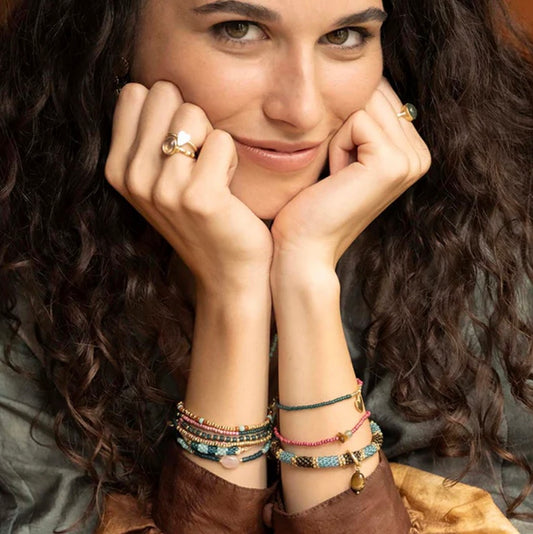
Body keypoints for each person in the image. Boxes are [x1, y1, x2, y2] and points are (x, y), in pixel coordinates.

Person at [1, 0, 532, 532]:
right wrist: (233, 292)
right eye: (239, 30)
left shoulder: (491, 230)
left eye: (345, 35)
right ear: (114, 39)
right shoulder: (19, 257)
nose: (300, 110)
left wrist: (306, 276)